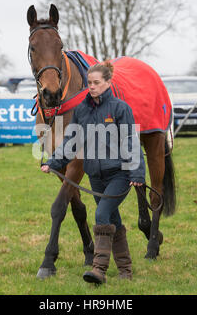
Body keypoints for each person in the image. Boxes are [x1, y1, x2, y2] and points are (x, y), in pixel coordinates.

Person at [40, 62, 145, 284]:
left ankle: (99, 269)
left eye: (97, 83)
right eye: (89, 83)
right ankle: (126, 270)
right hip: (96, 177)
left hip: (120, 175)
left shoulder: (120, 109)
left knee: (101, 216)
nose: (92, 87)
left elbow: (131, 143)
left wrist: (136, 174)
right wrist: (53, 161)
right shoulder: (82, 110)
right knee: (112, 217)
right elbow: (72, 141)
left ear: (108, 83)